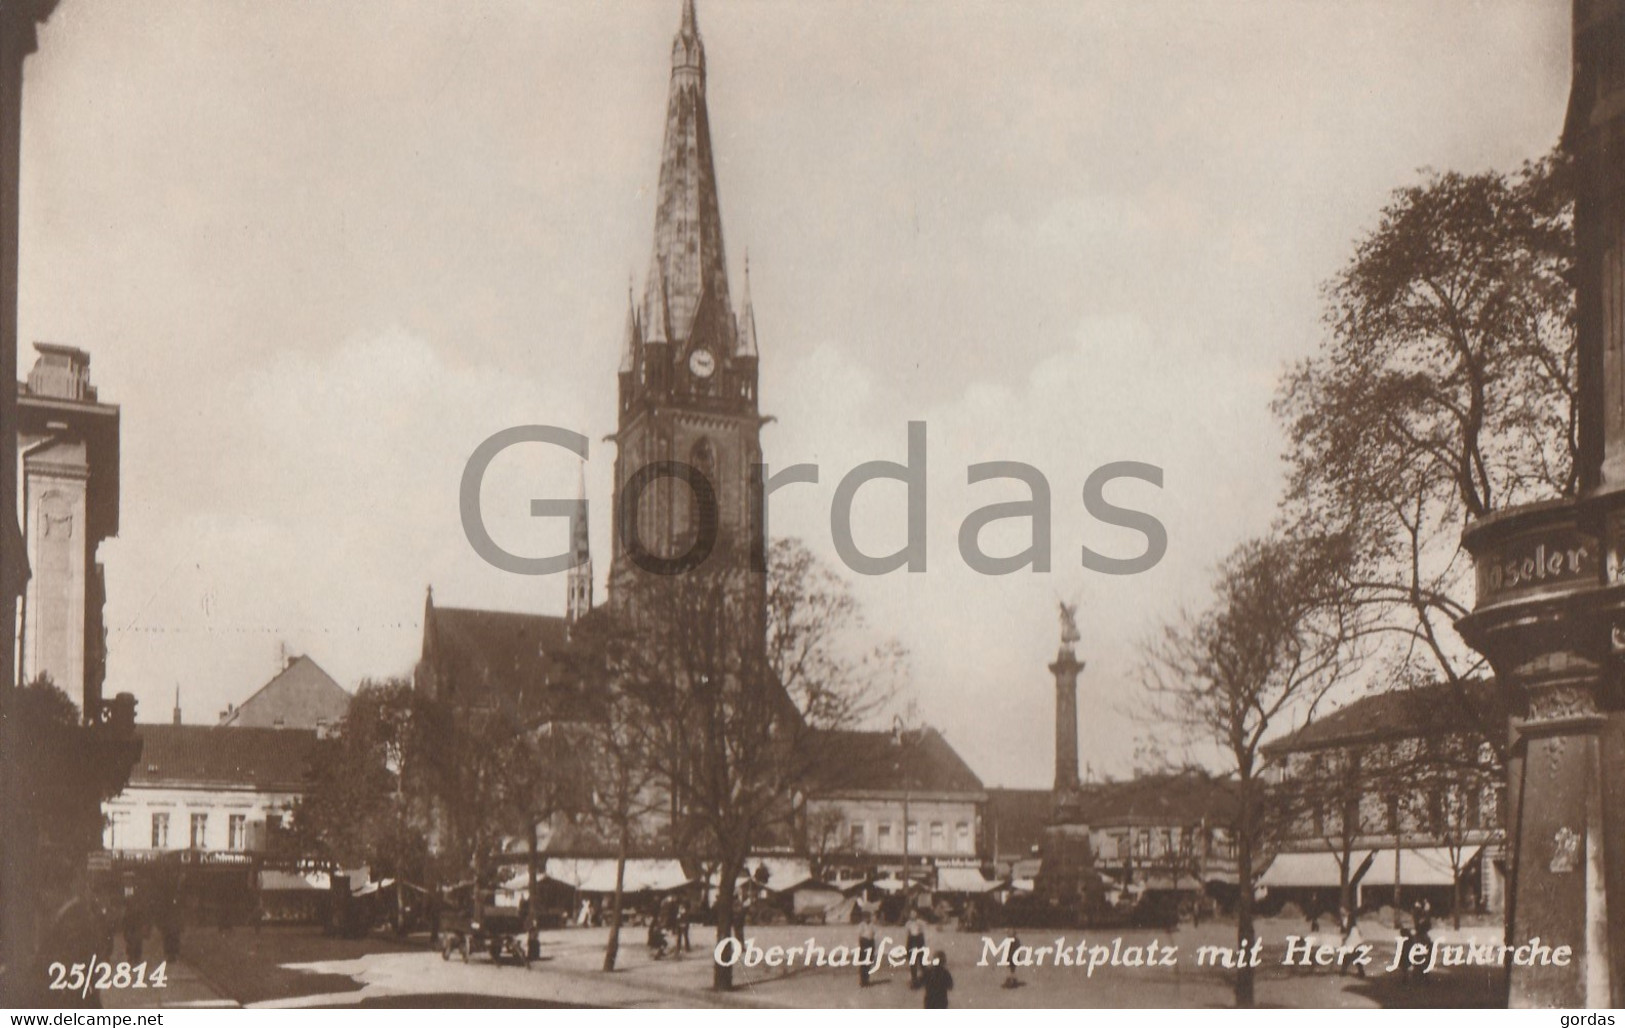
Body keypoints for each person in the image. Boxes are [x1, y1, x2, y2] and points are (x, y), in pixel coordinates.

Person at [904, 910, 928, 987]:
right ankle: (914, 980)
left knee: (922, 961)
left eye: (914, 914)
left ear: (917, 914)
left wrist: (923, 945)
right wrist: (907, 947)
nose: (913, 915)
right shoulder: (908, 924)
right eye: (911, 914)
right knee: (913, 962)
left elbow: (922, 933)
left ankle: (925, 979)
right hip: (912, 942)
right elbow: (908, 935)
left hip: (919, 941)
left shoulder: (920, 922)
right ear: (910, 915)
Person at [857, 913, 877, 987]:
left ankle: (867, 979)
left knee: (869, 962)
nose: (867, 919)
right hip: (864, 942)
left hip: (870, 942)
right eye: (865, 917)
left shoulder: (872, 925)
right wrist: (861, 946)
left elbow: (873, 934)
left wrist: (873, 945)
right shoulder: (861, 925)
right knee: (863, 963)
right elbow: (860, 936)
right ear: (863, 918)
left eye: (868, 917)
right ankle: (862, 980)